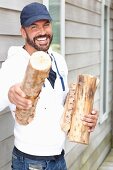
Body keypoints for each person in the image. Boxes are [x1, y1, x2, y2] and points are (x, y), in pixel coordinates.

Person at [0, 2, 98, 170]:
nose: (42, 32)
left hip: (59, 158)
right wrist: (10, 94)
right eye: (34, 27)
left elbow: (62, 103)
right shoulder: (14, 64)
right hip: (30, 162)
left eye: (46, 25)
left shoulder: (58, 60)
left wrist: (87, 117)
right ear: (23, 32)